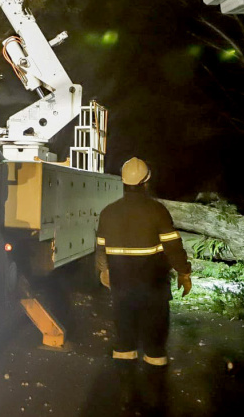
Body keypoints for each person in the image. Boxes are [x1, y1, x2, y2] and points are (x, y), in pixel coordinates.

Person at [96, 157, 192, 368]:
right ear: (146, 181)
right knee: (155, 327)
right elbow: (173, 248)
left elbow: (100, 247)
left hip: (121, 282)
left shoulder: (108, 212)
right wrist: (184, 272)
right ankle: (155, 365)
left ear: (123, 182)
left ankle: (124, 367)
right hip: (153, 282)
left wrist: (104, 270)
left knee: (123, 325)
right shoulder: (157, 211)